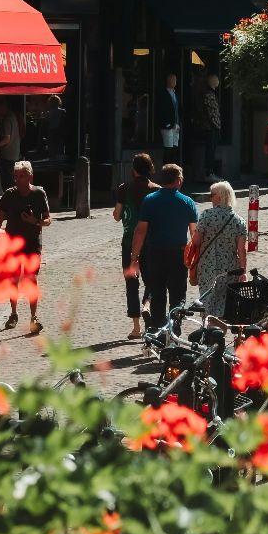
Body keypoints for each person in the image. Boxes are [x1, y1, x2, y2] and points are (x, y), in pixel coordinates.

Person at [128, 164, 198, 330]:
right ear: (178, 180)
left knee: (157, 293)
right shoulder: (187, 202)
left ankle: (159, 329)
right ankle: (175, 329)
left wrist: (134, 256)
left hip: (155, 253)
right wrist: (195, 260)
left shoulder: (150, 200)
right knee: (178, 294)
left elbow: (140, 231)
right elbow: (194, 234)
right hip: (178, 254)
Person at [0, 160, 50, 334]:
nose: (18, 180)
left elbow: (48, 219)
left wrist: (36, 221)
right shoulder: (9, 195)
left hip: (32, 243)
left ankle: (34, 317)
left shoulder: (39, 194)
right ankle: (13, 313)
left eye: (22, 176)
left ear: (30, 176)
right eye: (16, 176)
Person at [112, 153, 156, 339]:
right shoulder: (156, 190)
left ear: (134, 170)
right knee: (152, 281)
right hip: (152, 243)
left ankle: (136, 327)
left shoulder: (124, 188)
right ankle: (148, 307)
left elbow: (116, 215)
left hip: (129, 242)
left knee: (131, 282)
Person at [188, 182, 248, 318]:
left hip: (207, 266)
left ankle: (208, 330)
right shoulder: (239, 221)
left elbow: (196, 241)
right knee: (224, 302)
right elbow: (241, 250)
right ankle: (219, 329)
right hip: (230, 268)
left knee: (207, 300)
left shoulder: (206, 215)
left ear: (220, 196)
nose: (210, 198)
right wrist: (243, 270)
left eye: (212, 195)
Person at [0, 101, 24, 192]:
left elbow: (6, 139)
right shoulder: (13, 117)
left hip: (7, 156)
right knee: (11, 183)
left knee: (7, 184)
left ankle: (11, 204)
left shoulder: (7, 119)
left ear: (2, 107)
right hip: (13, 155)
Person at [156, 74, 182, 158]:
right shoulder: (163, 94)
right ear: (168, 81)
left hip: (176, 124)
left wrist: (178, 123)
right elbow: (161, 110)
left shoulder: (176, 94)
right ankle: (167, 169)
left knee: (175, 148)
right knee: (168, 148)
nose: (175, 82)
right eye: (173, 80)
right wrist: (166, 123)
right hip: (167, 125)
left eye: (175, 80)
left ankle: (173, 168)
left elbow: (177, 109)